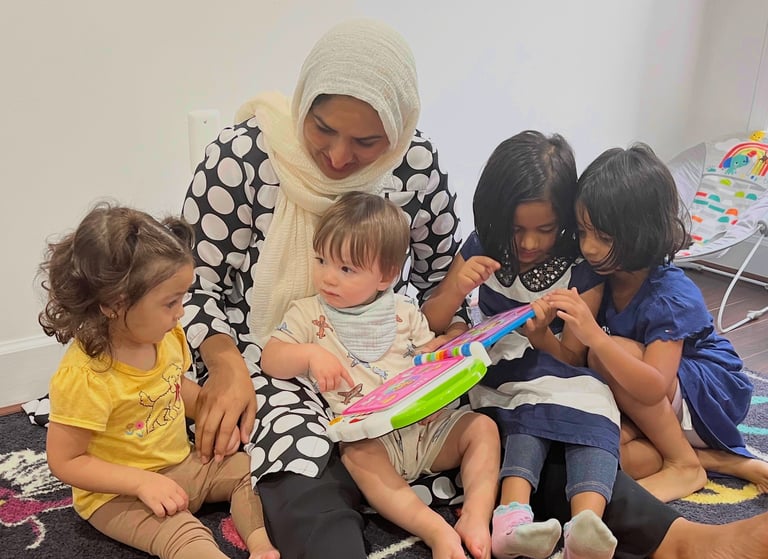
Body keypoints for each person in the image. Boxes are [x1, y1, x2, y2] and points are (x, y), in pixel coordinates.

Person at [179, 16, 768, 559]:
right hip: (272, 358)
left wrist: (453, 343)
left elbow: (440, 283)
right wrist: (227, 363)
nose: (338, 156)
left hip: (395, 355)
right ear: (303, 101)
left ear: (400, 122)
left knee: (520, 426)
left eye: (366, 142)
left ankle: (678, 540)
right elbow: (198, 286)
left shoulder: (414, 164)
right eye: (323, 129)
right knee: (297, 458)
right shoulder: (245, 157)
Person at [261, 192, 499, 559]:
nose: (328, 277)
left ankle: (477, 519)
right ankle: (434, 529)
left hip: (427, 429)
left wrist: (441, 351)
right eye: (322, 260)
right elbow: (270, 358)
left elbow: (428, 357)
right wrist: (309, 354)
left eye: (346, 269)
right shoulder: (308, 313)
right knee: (356, 454)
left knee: (483, 429)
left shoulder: (404, 311)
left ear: (386, 276)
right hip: (374, 442)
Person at [39, 204, 278, 559]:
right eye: (171, 302)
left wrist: (214, 414)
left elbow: (173, 388)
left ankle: (261, 547)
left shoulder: (166, 336)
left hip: (179, 464)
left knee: (250, 469)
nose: (181, 311)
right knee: (183, 534)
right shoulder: (85, 377)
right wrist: (141, 482)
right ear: (114, 304)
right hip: (117, 494)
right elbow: (65, 461)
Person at [423, 131, 618, 559]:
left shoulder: (579, 265)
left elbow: (574, 356)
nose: (529, 243)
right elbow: (432, 320)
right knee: (527, 409)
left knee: (598, 403)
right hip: (499, 367)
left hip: (556, 366)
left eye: (545, 229)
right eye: (517, 229)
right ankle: (511, 519)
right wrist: (455, 288)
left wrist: (542, 335)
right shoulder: (481, 245)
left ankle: (588, 526)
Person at [546, 143, 768, 503]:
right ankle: (721, 462)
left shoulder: (669, 294)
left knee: (607, 353)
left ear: (642, 232)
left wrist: (595, 339)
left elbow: (651, 386)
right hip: (656, 405)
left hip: (706, 396)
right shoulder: (598, 273)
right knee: (602, 454)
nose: (588, 247)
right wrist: (539, 331)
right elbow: (570, 359)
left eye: (603, 237)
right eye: (583, 232)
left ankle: (683, 463)